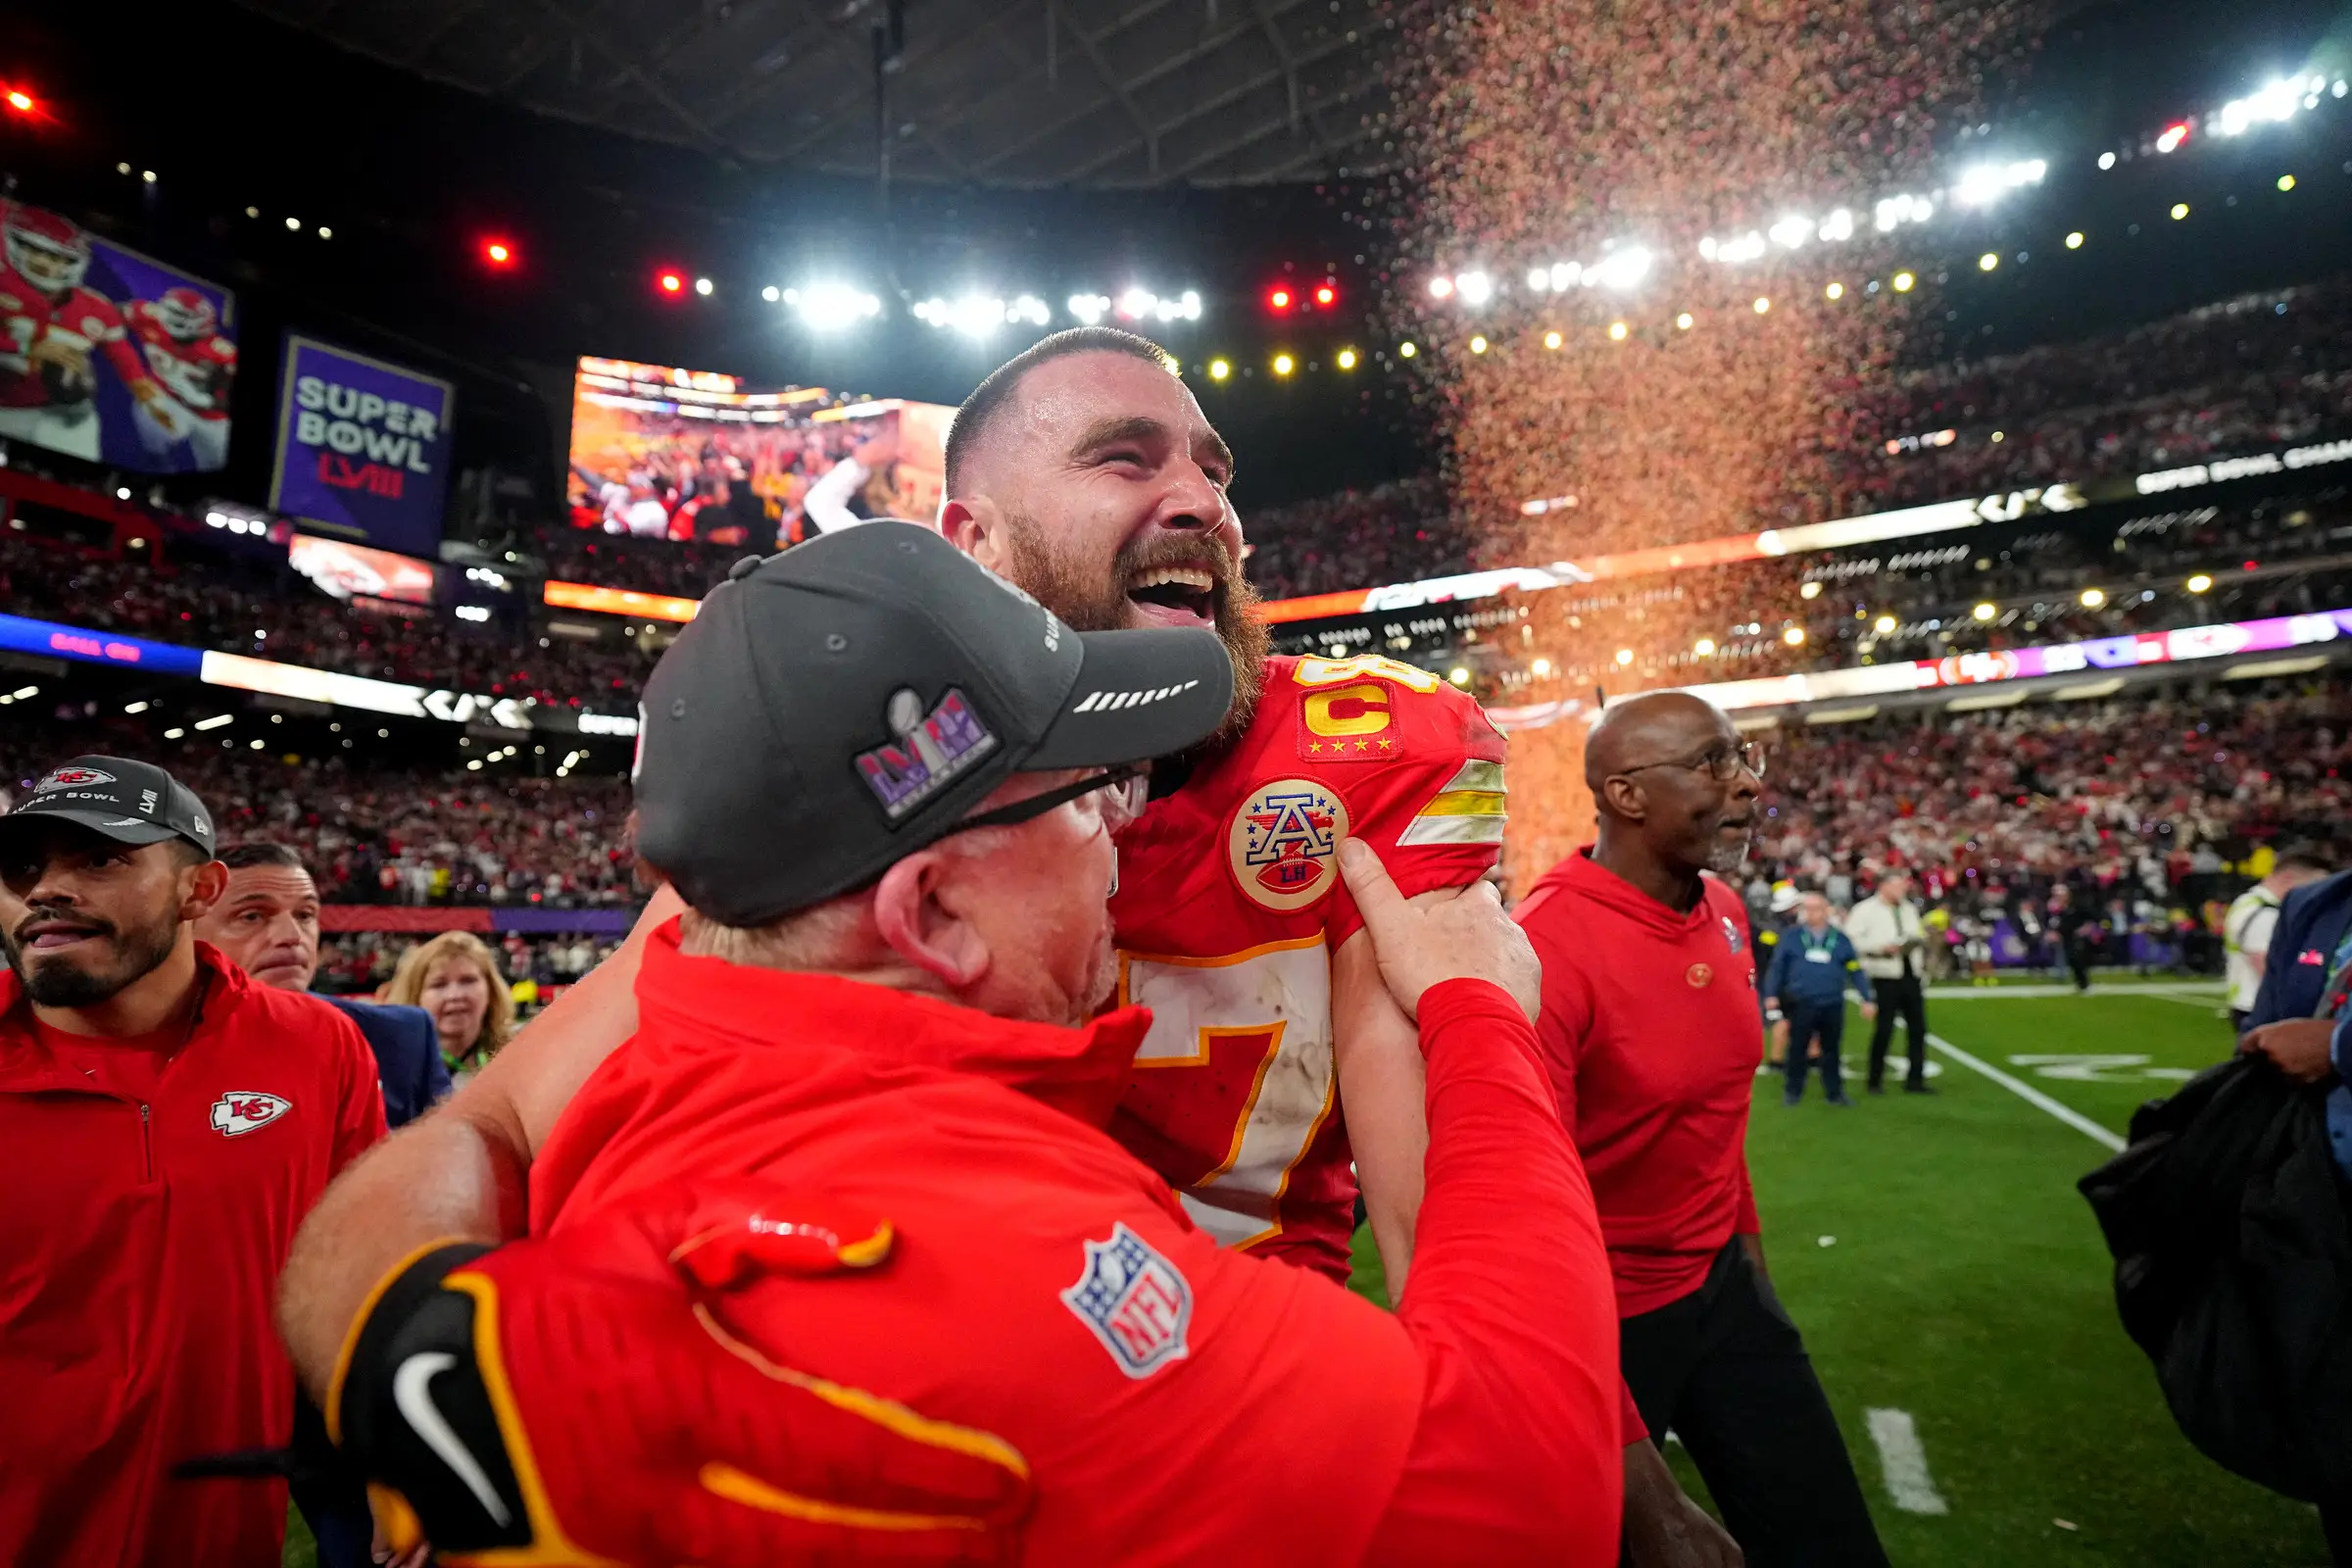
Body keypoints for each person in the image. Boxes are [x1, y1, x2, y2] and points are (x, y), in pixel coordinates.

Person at [270, 324, 1659, 1532]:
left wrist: (472, 1422)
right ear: (971, 540)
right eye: (1127, 459)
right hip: (988, 1336)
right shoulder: (843, 801)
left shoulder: (1372, 752)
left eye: (1216, 469)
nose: (1203, 504)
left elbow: (1434, 1219)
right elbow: (488, 1131)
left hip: (1230, 1391)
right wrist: (451, 1409)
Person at [1515, 693, 1886, 1567]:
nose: (1750, 784)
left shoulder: (1723, 905)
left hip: (1723, 1290)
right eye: (1715, 762)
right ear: (1625, 796)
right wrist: (1647, 1494)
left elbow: (1716, 1108)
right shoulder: (1544, 952)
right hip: (1601, 1321)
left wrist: (1750, 1264)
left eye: (1743, 756)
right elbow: (1524, 1227)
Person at [0, 756, 385, 1568]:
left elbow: (366, 1275)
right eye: (21, 868)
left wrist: (390, 1466)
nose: (43, 890)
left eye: (100, 859)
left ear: (198, 890)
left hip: (223, 1535)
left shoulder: (317, 1047)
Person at [193, 842, 450, 1126]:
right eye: (252, 916)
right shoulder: (151, 1053)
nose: (292, 935)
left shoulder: (399, 1039)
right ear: (189, 936)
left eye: (305, 915)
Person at [1762, 891, 1875, 1106]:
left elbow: (1854, 969)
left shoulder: (1840, 939)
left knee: (1831, 1049)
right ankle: (1793, 1091)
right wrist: (1771, 994)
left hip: (1832, 1002)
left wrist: (1866, 997)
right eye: (1808, 909)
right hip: (1802, 1001)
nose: (1811, 914)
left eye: (1816, 909)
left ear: (1827, 911)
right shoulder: (1792, 936)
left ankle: (1834, 1092)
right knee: (1797, 1048)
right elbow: (1777, 967)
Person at [1845, 869, 1935, 1095]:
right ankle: (1874, 1081)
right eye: (1897, 886)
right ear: (1883, 886)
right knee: (1884, 1029)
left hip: (1909, 973)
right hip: (1884, 975)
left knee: (1918, 1029)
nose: (1902, 890)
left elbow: (1916, 932)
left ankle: (1916, 1079)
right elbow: (1852, 942)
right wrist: (1881, 948)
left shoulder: (1908, 908)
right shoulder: (1865, 910)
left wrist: (1916, 942)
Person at [382, 929, 512, 1084]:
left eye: (468, 980)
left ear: (491, 989)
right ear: (415, 995)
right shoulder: (391, 1065)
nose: (455, 995)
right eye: (439, 984)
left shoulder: (515, 1055)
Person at [2224, 848, 2329, 1035]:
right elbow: (2265, 965)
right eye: (2313, 886)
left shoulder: (2248, 901)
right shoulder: (2266, 913)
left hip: (2248, 1000)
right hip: (2262, 1006)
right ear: (2288, 878)